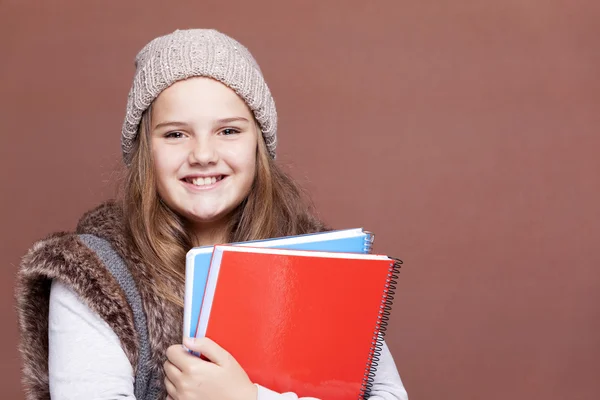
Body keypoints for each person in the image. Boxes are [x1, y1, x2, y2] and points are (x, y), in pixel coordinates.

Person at [16, 29, 409, 400]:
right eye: (175, 134)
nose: (203, 155)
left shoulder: (322, 262)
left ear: (259, 143)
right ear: (144, 154)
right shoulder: (93, 275)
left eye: (228, 131)